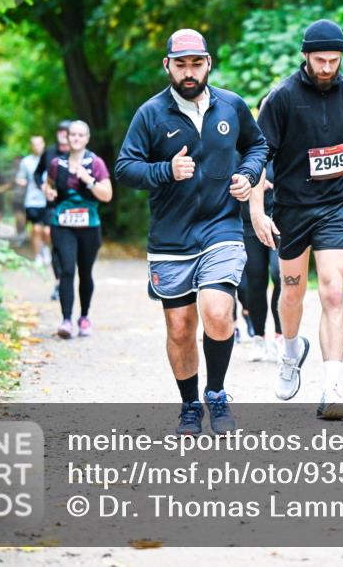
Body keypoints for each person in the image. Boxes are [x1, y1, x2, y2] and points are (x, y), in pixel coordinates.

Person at [115, 28, 267, 436]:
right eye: (180, 64)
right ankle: (189, 405)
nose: (188, 72)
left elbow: (258, 145)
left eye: (196, 63)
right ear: (167, 65)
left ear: (208, 63)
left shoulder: (231, 106)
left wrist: (248, 175)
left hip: (221, 227)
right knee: (180, 328)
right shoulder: (151, 114)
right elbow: (125, 168)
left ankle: (215, 396)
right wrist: (166, 170)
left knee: (218, 314)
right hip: (171, 237)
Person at [251, 19, 343, 420]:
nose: (326, 68)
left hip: (337, 207)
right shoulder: (281, 97)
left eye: (333, 60)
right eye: (319, 59)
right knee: (291, 292)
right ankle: (290, 352)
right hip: (292, 209)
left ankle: (332, 387)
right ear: (305, 56)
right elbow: (258, 158)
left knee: (333, 292)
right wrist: (257, 211)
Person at [42, 121, 113, 339]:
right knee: (66, 270)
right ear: (66, 137)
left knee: (85, 272)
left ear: (87, 138)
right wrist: (49, 192)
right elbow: (49, 184)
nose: (76, 138)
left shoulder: (96, 163)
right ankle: (65, 320)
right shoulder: (57, 163)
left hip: (89, 226)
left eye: (81, 135)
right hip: (62, 225)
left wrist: (88, 180)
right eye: (72, 134)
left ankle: (84, 317)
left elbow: (107, 195)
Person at [242, 160, 282, 363]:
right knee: (256, 279)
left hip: (281, 218)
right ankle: (258, 338)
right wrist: (250, 184)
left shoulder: (284, 135)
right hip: (250, 221)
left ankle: (280, 337)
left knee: (279, 274)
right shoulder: (242, 137)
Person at [35, 121, 72, 300]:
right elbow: (37, 173)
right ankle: (59, 282)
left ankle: (70, 279)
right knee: (55, 241)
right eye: (60, 131)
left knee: (73, 246)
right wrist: (43, 186)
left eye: (66, 131)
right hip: (53, 205)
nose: (63, 135)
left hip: (74, 207)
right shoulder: (49, 153)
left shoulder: (79, 153)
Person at [16, 135, 52, 266]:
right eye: (34, 144)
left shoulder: (51, 159)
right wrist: (23, 183)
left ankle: (46, 248)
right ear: (31, 146)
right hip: (32, 200)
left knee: (47, 231)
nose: (37, 146)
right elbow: (19, 178)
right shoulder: (26, 162)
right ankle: (38, 255)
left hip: (49, 200)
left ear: (44, 144)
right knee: (36, 229)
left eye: (39, 144)